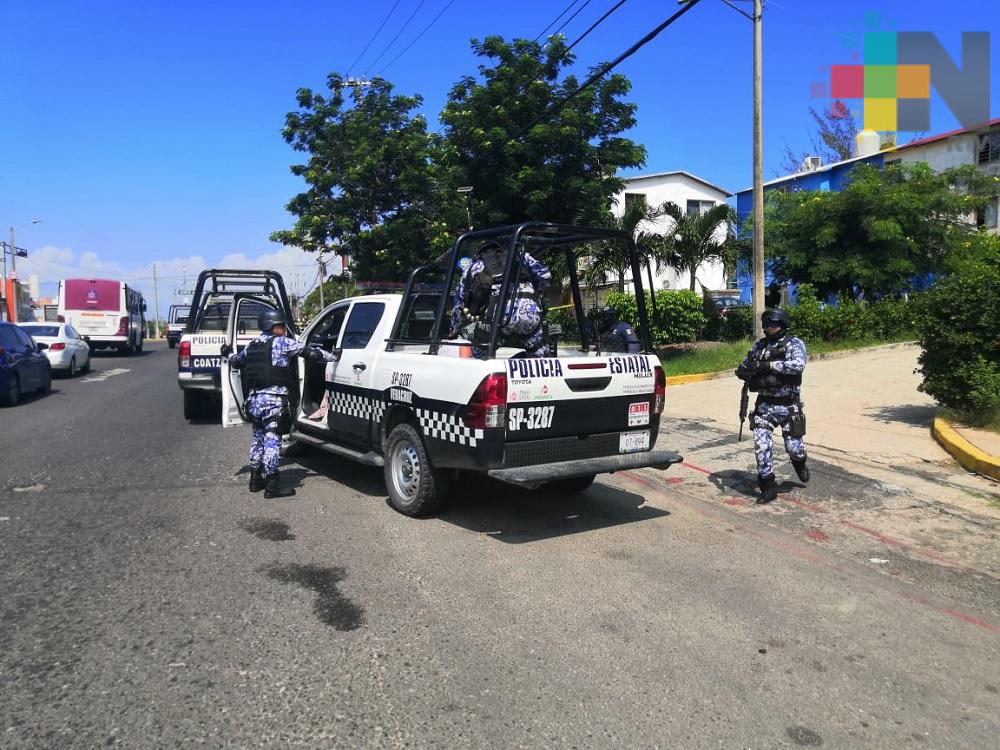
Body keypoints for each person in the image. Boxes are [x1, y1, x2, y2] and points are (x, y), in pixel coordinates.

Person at [221, 309, 337, 498]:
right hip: (272, 402)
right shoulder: (283, 343)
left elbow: (236, 362)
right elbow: (312, 354)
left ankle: (255, 479)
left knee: (257, 439)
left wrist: (227, 353)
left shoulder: (252, 345)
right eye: (281, 325)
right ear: (272, 326)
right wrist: (334, 357)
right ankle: (273, 485)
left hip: (254, 401)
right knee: (272, 440)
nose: (283, 328)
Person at [735, 308, 809, 504]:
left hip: (789, 406)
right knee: (761, 446)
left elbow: (798, 365)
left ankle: (799, 461)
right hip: (765, 405)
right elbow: (745, 364)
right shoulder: (759, 346)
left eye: (773, 325)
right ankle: (767, 486)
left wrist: (770, 365)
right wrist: (744, 370)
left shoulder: (794, 344)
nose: (769, 328)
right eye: (767, 325)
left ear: (783, 325)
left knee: (794, 448)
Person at [449, 241, 551, 357]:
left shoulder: (475, 265)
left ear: (481, 253)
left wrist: (454, 328)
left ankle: (490, 368)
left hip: (498, 317)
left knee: (481, 355)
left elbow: (460, 302)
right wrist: (536, 292)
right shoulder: (522, 256)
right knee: (537, 351)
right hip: (530, 312)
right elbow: (545, 275)